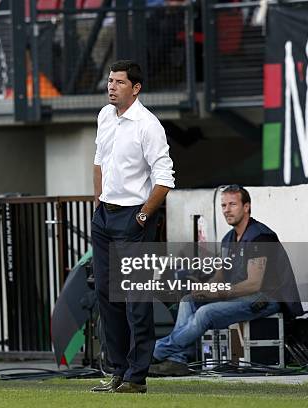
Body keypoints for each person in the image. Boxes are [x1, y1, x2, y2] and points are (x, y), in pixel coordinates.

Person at [150, 185, 303, 376]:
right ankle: (177, 360)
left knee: (205, 313)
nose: (226, 210)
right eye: (223, 205)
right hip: (240, 296)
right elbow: (220, 275)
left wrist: (219, 293)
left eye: (232, 204)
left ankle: (155, 351)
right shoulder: (228, 238)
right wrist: (204, 289)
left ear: (246, 207)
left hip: (266, 299)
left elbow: (253, 284)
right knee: (188, 301)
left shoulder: (260, 236)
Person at [90, 60, 175, 393]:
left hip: (133, 216)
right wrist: (98, 201)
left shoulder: (148, 125)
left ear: (136, 88)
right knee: (106, 294)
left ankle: (138, 377)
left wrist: (143, 216)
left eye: (119, 82)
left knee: (136, 298)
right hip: (105, 215)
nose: (112, 86)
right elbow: (99, 161)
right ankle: (118, 371)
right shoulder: (104, 116)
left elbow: (165, 177)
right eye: (110, 81)